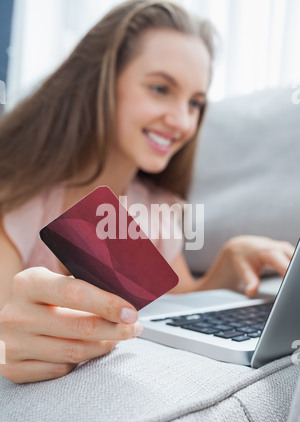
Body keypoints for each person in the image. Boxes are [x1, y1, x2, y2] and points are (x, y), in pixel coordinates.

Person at [0, 0, 294, 384]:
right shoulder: (19, 197)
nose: (181, 121)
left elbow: (172, 300)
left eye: (195, 103)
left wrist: (226, 263)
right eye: (160, 89)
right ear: (101, 80)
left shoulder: (161, 206)